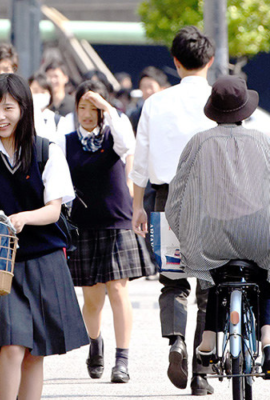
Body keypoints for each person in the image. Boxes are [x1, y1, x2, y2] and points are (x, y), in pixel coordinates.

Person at [0, 73, 88, 400]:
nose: (0, 117)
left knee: (35, 352)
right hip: (1, 263)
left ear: (24, 108)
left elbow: (54, 210)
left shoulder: (44, 150)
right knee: (11, 346)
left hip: (44, 261)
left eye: (8, 108)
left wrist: (23, 218)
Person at [130, 26, 216, 396]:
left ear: (176, 62)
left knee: (173, 281)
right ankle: (200, 371)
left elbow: (141, 162)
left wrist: (137, 206)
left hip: (167, 200)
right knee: (210, 288)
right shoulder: (220, 98)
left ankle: (175, 341)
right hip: (214, 201)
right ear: (210, 61)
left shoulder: (156, 103)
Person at [165, 75, 270, 378]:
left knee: (214, 277)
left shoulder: (198, 142)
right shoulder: (263, 141)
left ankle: (208, 339)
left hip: (210, 238)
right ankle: (267, 336)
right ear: (245, 111)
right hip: (258, 235)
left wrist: (185, 233)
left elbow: (177, 197)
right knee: (265, 276)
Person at [64, 80, 155, 384]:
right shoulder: (66, 141)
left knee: (118, 289)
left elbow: (128, 145)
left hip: (117, 220)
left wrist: (107, 108)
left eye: (93, 108)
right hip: (84, 224)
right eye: (82, 108)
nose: (87, 114)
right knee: (92, 299)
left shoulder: (114, 133)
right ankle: (95, 343)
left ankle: (123, 359)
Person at [128, 66, 169, 133]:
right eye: (143, 87)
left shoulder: (171, 111)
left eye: (150, 86)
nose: (147, 91)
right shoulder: (136, 115)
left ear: (162, 88)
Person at [28, 71, 58, 140]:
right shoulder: (21, 118)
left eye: (43, 92)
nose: (39, 95)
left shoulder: (57, 121)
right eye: (35, 91)